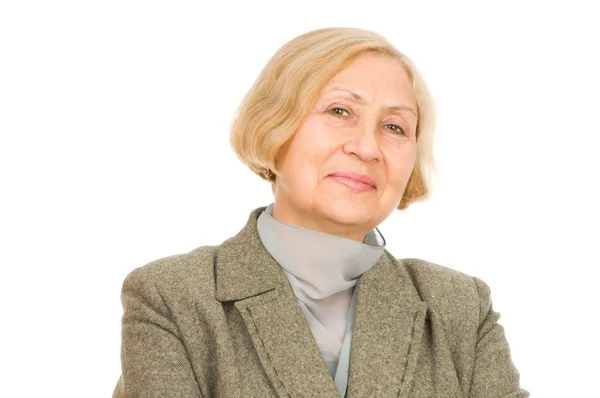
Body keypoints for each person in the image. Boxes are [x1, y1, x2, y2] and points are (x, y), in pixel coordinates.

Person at [113, 27, 528, 397]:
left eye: (395, 127)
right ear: (276, 126)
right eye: (339, 111)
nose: (367, 148)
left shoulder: (460, 306)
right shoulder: (172, 298)